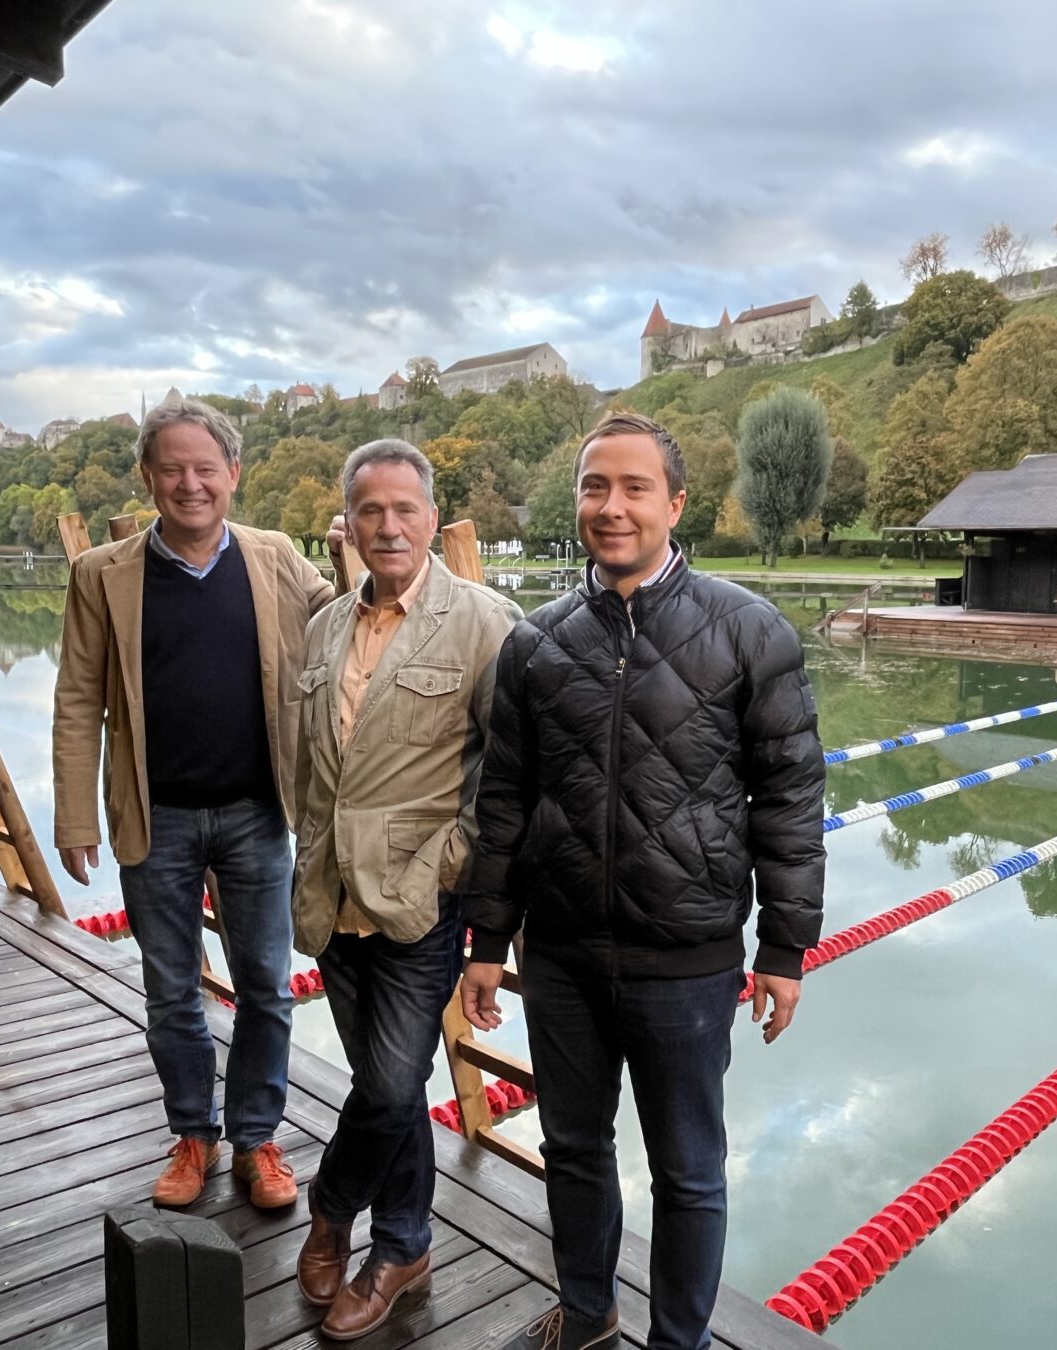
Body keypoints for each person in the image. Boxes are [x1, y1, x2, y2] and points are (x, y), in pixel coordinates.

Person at [461, 410, 826, 1350]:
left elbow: (790, 798)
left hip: (687, 960)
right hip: (565, 954)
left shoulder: (750, 632)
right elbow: (502, 800)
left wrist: (785, 948)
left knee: (689, 1170)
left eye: (632, 488)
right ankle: (586, 1315)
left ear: (676, 503)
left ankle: (680, 1342)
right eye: (594, 487)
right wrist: (488, 942)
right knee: (573, 1150)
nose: (610, 507)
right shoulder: (535, 645)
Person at [52, 397, 333, 1211]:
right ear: (148, 478)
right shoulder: (102, 574)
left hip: (256, 811)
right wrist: (75, 816)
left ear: (233, 475)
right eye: (172, 468)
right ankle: (192, 1134)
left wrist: (365, 560)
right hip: (156, 813)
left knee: (267, 987)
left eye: (205, 468)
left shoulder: (275, 557)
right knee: (171, 987)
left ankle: (256, 1138)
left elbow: (345, 625)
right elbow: (77, 700)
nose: (190, 484)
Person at [289, 440, 521, 1339]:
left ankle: (331, 1211)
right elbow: (309, 769)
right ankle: (403, 1248)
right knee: (381, 1089)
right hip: (333, 898)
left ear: (432, 514)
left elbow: (503, 777)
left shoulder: (485, 622)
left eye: (406, 509)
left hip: (422, 901)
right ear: (347, 523)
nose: (388, 526)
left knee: (390, 1085)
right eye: (370, 511)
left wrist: (451, 863)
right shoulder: (322, 630)